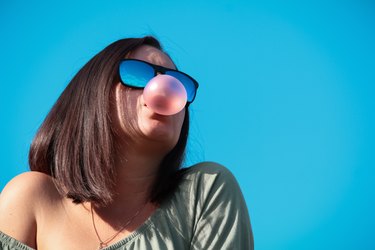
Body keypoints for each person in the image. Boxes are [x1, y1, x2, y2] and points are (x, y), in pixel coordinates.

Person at [0, 36, 254, 249]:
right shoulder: (33, 198)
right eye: (137, 74)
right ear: (94, 93)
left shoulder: (206, 190)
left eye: (177, 83)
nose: (162, 88)